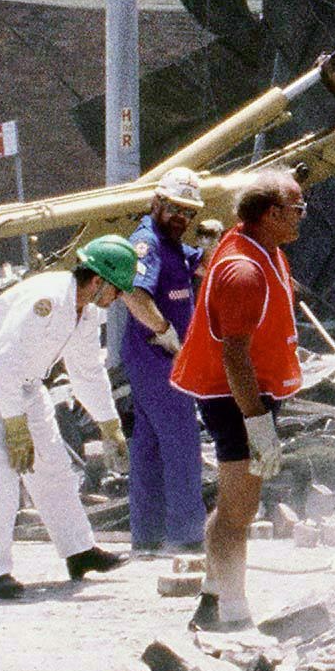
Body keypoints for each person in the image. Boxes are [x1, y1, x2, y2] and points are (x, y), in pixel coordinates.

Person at [0, 237, 135, 599]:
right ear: (98, 281)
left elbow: (86, 370)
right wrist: (14, 424)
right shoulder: (49, 301)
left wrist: (108, 423)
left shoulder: (85, 311)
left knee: (52, 466)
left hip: (25, 385)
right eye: (117, 290)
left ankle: (78, 551)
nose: (119, 299)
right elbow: (3, 362)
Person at [171, 168, 310, 632]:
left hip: (250, 391)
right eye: (297, 210)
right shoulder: (243, 269)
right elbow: (234, 356)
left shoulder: (263, 247)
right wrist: (257, 424)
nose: (301, 219)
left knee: (237, 502)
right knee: (240, 509)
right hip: (234, 396)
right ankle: (232, 611)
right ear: (271, 214)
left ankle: (213, 600)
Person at [114, 168, 210, 557]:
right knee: (182, 441)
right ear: (157, 203)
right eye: (174, 208)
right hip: (157, 357)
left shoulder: (171, 243)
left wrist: (215, 243)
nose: (181, 217)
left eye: (188, 212)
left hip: (156, 359)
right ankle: (187, 535)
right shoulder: (146, 242)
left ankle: (148, 535)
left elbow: (201, 265)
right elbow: (133, 292)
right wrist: (165, 330)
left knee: (150, 447)